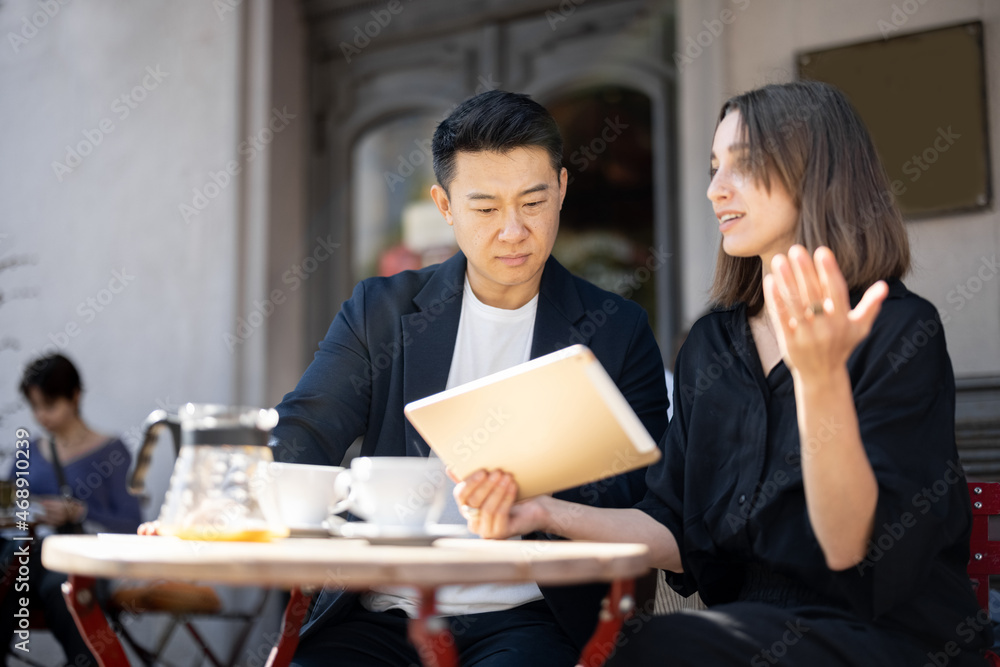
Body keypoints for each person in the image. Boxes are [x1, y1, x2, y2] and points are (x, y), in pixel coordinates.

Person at [455, 80, 993, 666]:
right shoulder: (711, 346)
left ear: (818, 172)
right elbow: (676, 534)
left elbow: (847, 550)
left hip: (887, 639)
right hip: (748, 633)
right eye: (714, 167)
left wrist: (818, 380)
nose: (715, 190)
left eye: (743, 166)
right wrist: (542, 511)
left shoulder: (897, 331)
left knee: (654, 649)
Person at [269, 89, 670, 666]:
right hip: (384, 610)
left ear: (561, 188)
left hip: (533, 615)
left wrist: (541, 494)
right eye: (485, 208)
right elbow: (305, 431)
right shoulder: (381, 311)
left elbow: (646, 495)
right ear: (445, 204)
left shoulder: (617, 329)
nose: (512, 230)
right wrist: (225, 500)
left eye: (533, 202)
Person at [1, 354, 142, 666]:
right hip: (22, 563)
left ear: (74, 396)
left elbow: (132, 524)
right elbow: (7, 513)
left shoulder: (111, 451)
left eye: (49, 405)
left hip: (79, 565)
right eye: (34, 407)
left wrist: (79, 513)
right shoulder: (28, 452)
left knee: (60, 583)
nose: (41, 416)